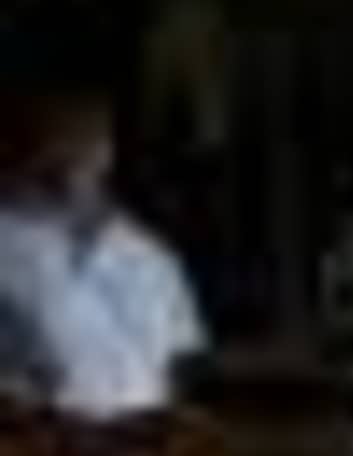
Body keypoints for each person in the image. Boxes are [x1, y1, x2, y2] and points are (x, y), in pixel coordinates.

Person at [0, 89, 203, 421]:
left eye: (86, 139)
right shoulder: (7, 243)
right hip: (33, 442)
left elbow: (177, 368)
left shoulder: (152, 258)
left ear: (106, 152)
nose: (70, 149)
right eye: (59, 136)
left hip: (143, 444)